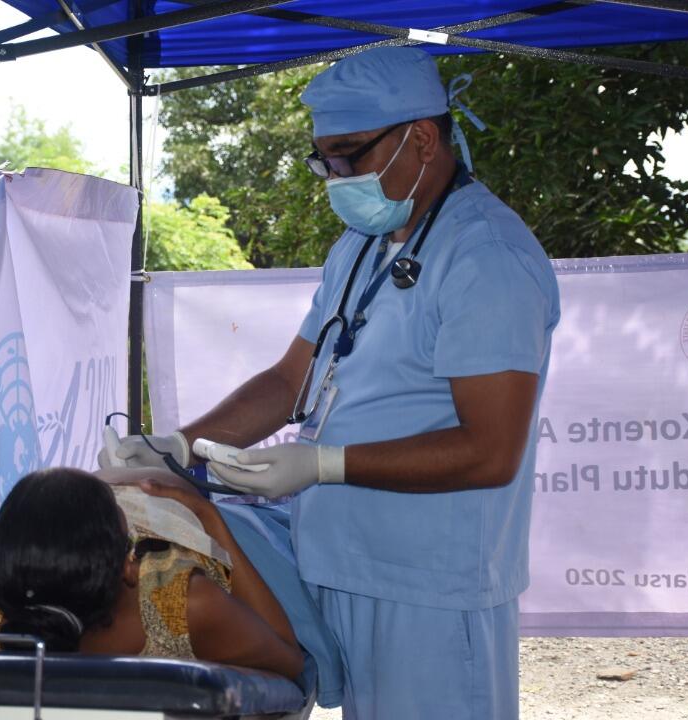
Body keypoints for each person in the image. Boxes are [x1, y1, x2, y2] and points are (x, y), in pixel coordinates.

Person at [102, 47, 560, 719]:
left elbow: (491, 451)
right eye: (325, 161)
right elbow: (292, 378)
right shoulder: (363, 246)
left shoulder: (486, 259)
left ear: (423, 138)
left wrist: (323, 464)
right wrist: (177, 447)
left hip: (428, 585)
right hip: (337, 556)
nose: (336, 178)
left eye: (349, 156)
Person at [0, 467, 304, 680]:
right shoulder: (182, 600)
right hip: (174, 514)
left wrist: (8, 540)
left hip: (110, 518)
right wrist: (210, 517)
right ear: (130, 562)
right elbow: (290, 660)